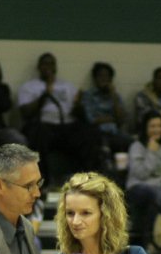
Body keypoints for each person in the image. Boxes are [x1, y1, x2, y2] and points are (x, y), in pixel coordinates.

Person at [18, 52, 101, 183]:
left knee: (89, 134)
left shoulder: (67, 86)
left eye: (51, 64)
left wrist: (79, 106)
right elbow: (26, 112)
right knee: (37, 134)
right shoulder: (29, 86)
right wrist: (45, 95)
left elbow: (78, 113)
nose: (48, 67)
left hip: (67, 126)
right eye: (45, 64)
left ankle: (87, 180)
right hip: (44, 126)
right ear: (39, 67)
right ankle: (42, 182)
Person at [125, 111, 161, 249]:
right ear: (145, 128)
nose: (157, 130)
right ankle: (148, 241)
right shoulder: (137, 147)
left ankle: (151, 241)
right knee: (153, 194)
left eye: (160, 126)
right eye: (152, 126)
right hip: (139, 187)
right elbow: (140, 173)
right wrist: (151, 152)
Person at [80, 61, 133, 155]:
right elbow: (92, 120)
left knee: (133, 143)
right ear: (95, 78)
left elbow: (121, 120)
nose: (104, 79)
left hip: (115, 133)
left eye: (107, 76)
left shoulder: (115, 96)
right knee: (103, 145)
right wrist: (113, 119)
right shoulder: (88, 95)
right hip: (97, 133)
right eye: (100, 76)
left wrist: (113, 96)